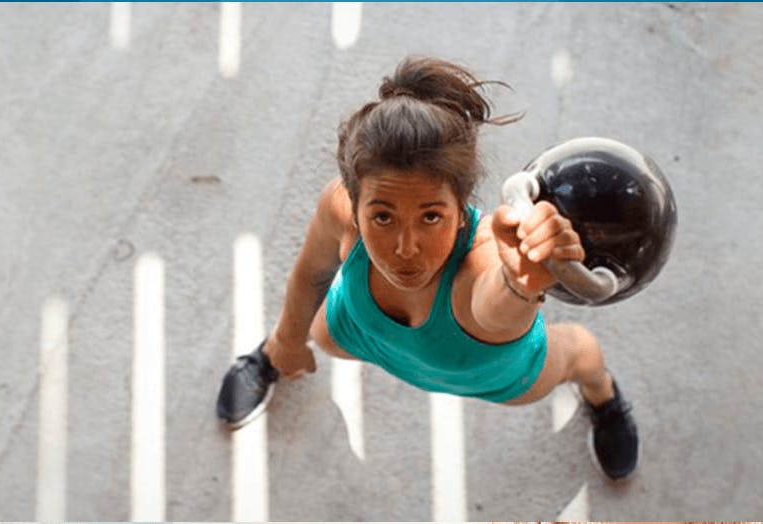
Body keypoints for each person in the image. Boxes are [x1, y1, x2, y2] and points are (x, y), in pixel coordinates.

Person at [214, 56, 639, 480]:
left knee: (580, 356)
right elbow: (312, 274)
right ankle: (268, 357)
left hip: (490, 377)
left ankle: (604, 398)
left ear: (461, 205)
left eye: (431, 217)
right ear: (354, 201)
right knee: (319, 334)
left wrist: (519, 282)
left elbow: (494, 307)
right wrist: (287, 343)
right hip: (364, 336)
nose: (405, 248)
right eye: (382, 217)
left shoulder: (486, 253)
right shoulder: (338, 208)